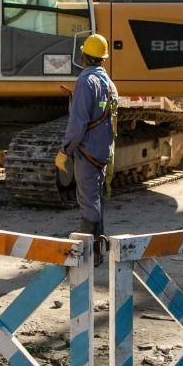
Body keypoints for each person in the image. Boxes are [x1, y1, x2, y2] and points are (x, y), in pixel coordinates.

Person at [56, 34, 120, 249]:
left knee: (88, 200)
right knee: (96, 197)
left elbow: (78, 125)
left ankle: (91, 250)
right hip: (102, 152)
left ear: (83, 56)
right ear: (103, 59)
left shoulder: (85, 81)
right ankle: (98, 244)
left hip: (87, 152)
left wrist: (65, 150)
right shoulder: (109, 84)